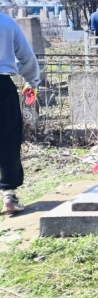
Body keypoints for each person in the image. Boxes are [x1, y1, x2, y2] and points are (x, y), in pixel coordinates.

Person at [0, 11, 40, 214]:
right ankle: (9, 195)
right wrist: (32, 81)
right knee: (7, 138)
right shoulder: (6, 22)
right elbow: (27, 56)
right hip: (2, 85)